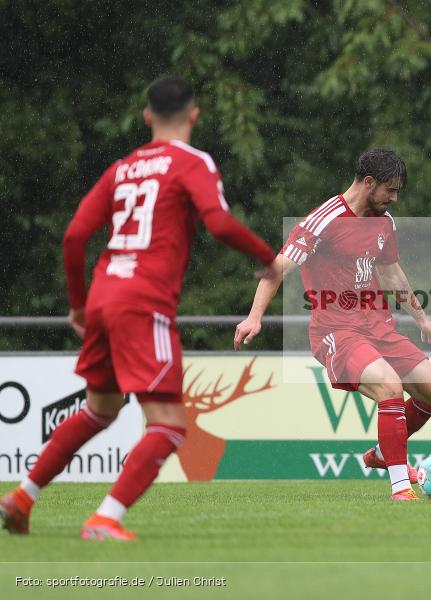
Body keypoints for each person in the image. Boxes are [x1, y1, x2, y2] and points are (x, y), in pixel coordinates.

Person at [0, 75, 277, 541]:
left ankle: (22, 496)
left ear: (147, 116)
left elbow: (73, 237)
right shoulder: (193, 162)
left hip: (104, 296)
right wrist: (268, 259)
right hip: (143, 302)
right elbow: (220, 222)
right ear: (194, 114)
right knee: (168, 427)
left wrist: (76, 304)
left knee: (98, 410)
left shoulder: (121, 167)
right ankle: (106, 517)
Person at [233, 148, 431, 501]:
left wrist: (420, 317)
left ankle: (383, 452)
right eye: (390, 190)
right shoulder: (324, 220)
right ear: (368, 183)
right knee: (390, 387)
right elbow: (277, 268)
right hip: (337, 332)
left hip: (379, 327)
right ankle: (400, 489)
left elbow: (391, 272)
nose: (394, 198)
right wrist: (254, 316)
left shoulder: (384, 220)